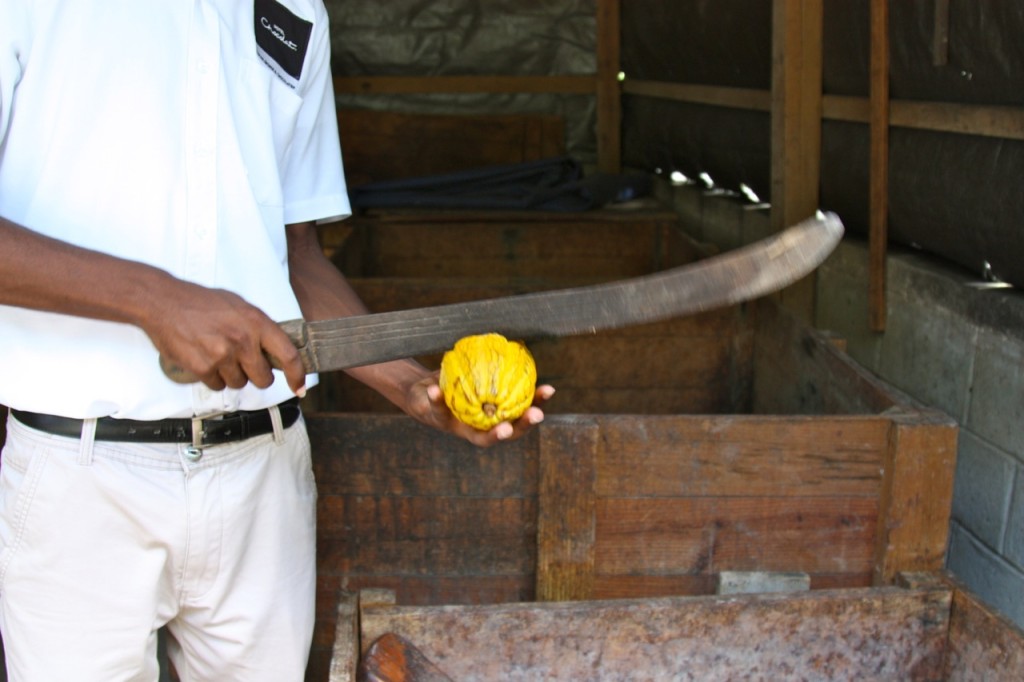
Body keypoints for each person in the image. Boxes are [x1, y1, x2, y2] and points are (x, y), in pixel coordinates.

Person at [0, 1, 552, 679]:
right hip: (84, 475)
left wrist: (408, 383)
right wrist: (152, 300)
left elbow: (296, 253)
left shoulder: (296, 10)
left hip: (261, 469)